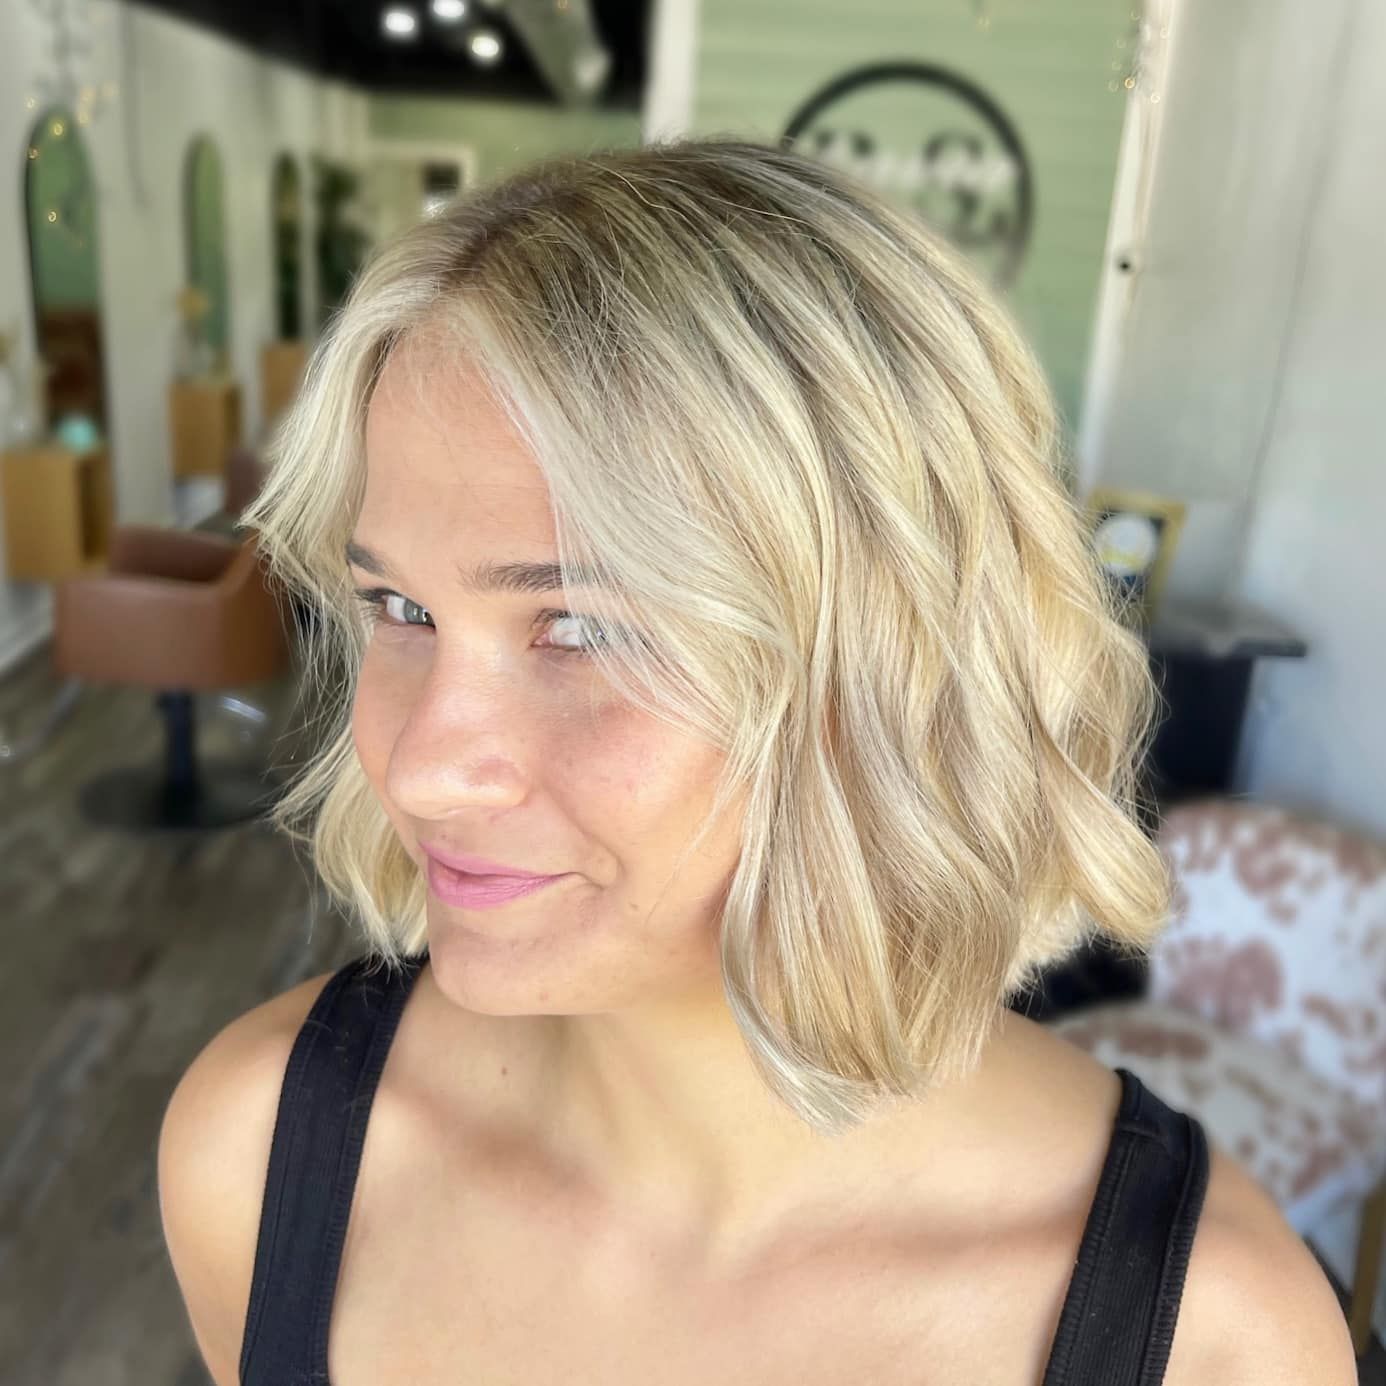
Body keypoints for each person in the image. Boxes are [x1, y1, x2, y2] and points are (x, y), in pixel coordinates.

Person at [155, 137, 1356, 1385]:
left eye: (582, 629)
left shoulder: (1214, 1343)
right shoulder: (259, 1150)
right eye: (401, 609)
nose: (420, 770)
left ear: (888, 675)